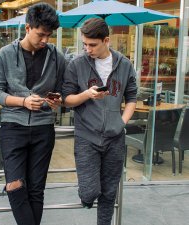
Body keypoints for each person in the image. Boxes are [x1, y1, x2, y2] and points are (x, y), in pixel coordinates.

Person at [0, 3, 66, 225]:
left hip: (43, 128)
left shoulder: (56, 57)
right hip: (13, 127)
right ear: (27, 27)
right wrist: (23, 101)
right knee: (14, 185)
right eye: (41, 34)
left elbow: (62, 90)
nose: (45, 40)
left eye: (49, 35)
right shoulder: (4, 55)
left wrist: (56, 100)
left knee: (36, 189)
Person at [62, 18, 137, 225]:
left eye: (92, 45)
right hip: (87, 136)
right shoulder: (76, 64)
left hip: (115, 138)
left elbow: (131, 97)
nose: (87, 49)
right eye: (84, 44)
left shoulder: (124, 64)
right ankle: (86, 198)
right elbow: (67, 100)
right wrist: (87, 94)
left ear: (106, 40)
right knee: (89, 191)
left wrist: (121, 122)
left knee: (110, 191)